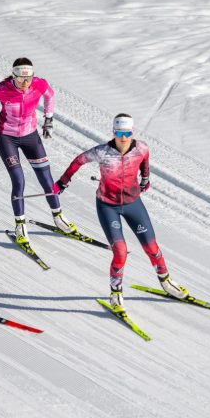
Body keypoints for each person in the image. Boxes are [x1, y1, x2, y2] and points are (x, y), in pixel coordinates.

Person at [55, 114, 188, 310]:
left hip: (133, 204)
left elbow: (145, 162)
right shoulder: (102, 152)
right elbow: (78, 161)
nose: (123, 137)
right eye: (119, 133)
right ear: (114, 133)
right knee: (120, 251)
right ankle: (115, 293)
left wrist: (145, 179)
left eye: (127, 133)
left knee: (152, 247)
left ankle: (166, 281)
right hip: (107, 206)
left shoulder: (142, 148)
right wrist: (62, 181)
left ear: (132, 132)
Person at [0, 57, 76, 242]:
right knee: (19, 181)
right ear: (14, 76)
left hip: (30, 137)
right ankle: (20, 225)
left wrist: (48, 119)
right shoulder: (3, 89)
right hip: (7, 138)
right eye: (20, 79)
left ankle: (58, 216)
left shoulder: (39, 84)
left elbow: (50, 95)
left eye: (28, 78)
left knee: (46, 178)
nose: (25, 83)